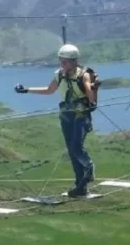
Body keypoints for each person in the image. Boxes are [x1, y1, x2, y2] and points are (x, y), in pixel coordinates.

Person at [14, 44, 96, 198]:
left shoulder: (83, 75)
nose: (62, 64)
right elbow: (49, 90)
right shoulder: (59, 75)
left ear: (73, 61)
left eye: (65, 61)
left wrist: (92, 89)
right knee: (72, 152)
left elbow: (90, 96)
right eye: (61, 61)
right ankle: (80, 186)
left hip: (81, 115)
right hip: (66, 115)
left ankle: (89, 168)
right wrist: (26, 89)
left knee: (76, 147)